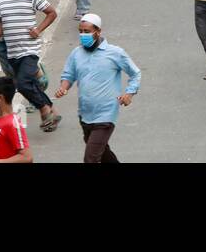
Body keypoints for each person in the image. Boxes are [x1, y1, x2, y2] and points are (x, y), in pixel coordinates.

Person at [54, 13, 141, 163]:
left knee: (91, 158)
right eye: (80, 31)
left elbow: (135, 73)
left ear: (98, 31)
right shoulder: (76, 53)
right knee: (103, 153)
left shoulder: (115, 53)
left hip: (106, 115)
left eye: (87, 31)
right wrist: (63, 87)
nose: (82, 35)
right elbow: (68, 75)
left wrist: (129, 94)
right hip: (85, 114)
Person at [0, 0, 59, 130]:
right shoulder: (1, 0)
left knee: (22, 83)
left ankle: (44, 110)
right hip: (12, 53)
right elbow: (1, 22)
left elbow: (52, 13)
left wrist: (38, 29)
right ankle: (53, 112)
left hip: (29, 50)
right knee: (31, 84)